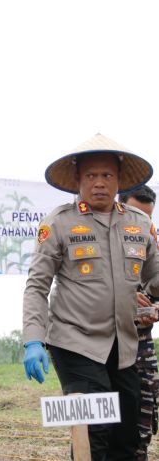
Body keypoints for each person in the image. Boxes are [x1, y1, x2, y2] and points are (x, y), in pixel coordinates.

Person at [23, 134, 159, 459]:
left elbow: (155, 278)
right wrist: (32, 340)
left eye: (107, 175)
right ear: (78, 180)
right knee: (92, 431)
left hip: (124, 346)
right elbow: (37, 286)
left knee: (128, 436)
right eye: (91, 176)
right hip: (74, 344)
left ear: (119, 180)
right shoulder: (59, 223)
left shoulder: (139, 224)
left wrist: (152, 302)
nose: (99, 183)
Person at [119, 184, 159, 461]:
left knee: (142, 425)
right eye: (137, 215)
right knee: (100, 430)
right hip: (104, 346)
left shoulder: (151, 243)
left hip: (142, 347)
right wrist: (124, 296)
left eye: (148, 217)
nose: (143, 223)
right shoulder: (99, 239)